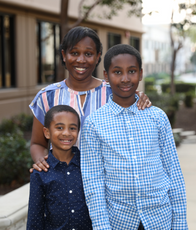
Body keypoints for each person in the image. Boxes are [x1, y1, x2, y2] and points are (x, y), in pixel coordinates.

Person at [80, 44, 188, 230]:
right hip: (119, 221)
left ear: (140, 73)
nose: (125, 79)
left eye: (131, 71)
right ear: (106, 76)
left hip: (160, 219)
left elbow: (174, 173)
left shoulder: (157, 117)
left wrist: (179, 223)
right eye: (117, 72)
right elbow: (93, 182)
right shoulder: (94, 123)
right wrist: (102, 227)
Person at [29, 26, 152, 172]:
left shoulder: (114, 93)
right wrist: (42, 162)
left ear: (98, 56)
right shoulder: (47, 96)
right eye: (74, 53)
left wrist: (139, 98)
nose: (81, 60)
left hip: (108, 183)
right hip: (63, 185)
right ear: (63, 55)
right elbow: (38, 143)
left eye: (88, 53)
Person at [27, 105, 92, 230]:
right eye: (60, 127)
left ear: (78, 132)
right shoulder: (40, 173)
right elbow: (35, 217)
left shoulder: (89, 165)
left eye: (72, 128)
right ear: (47, 132)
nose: (66, 133)